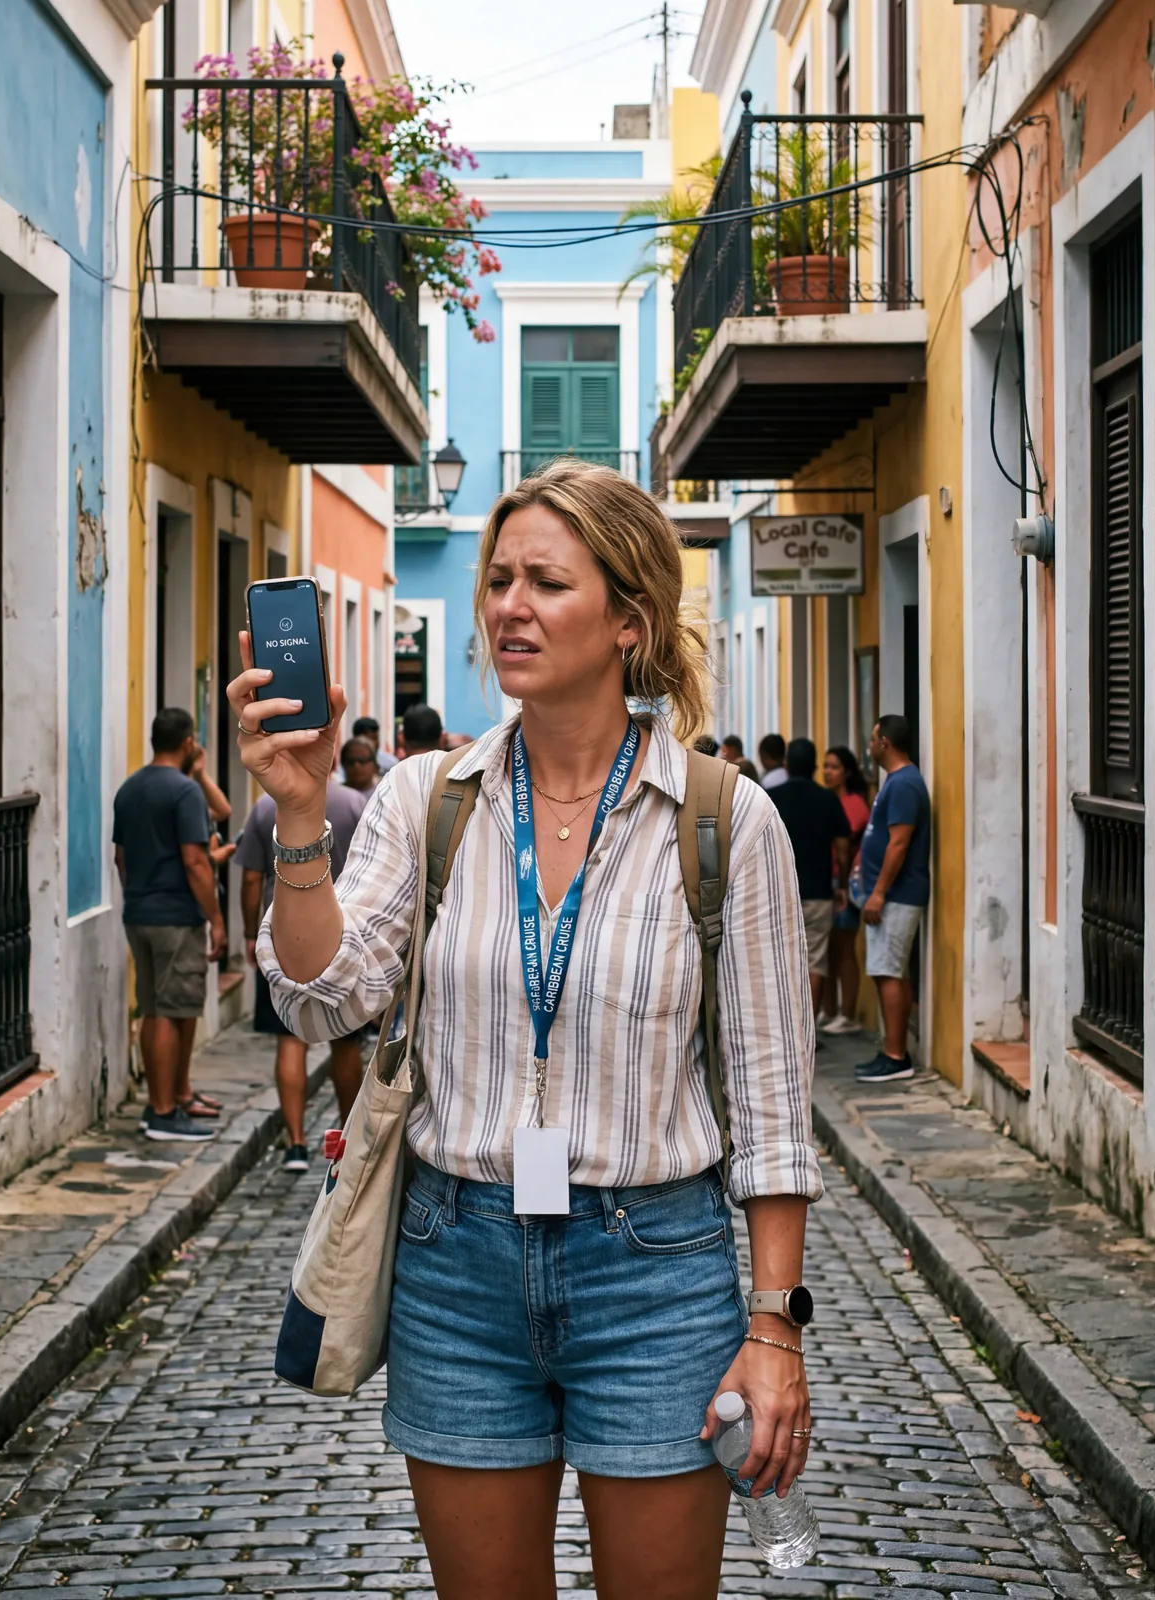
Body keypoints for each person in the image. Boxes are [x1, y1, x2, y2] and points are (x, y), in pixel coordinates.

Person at [231, 458, 822, 1600]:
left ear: (628, 621)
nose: (507, 604)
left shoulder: (723, 822)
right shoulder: (426, 799)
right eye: (498, 579)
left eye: (545, 581)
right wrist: (300, 815)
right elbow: (323, 997)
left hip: (654, 1274)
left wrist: (775, 1329)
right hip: (458, 1263)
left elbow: (769, 1101)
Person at [237, 775, 369, 1173]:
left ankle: (295, 1142)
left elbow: (250, 878)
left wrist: (248, 933)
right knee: (346, 1043)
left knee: (289, 1041)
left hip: (282, 936)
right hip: (340, 935)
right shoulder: (353, 803)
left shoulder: (263, 808)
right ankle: (348, 1137)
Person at [112, 709, 224, 1143]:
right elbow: (196, 861)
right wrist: (216, 919)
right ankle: (163, 1110)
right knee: (171, 1012)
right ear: (189, 741)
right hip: (175, 914)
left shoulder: (129, 788)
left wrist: (136, 896)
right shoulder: (183, 791)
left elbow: (120, 856)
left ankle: (160, 1103)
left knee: (152, 1008)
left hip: (139, 912)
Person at [854, 715, 931, 1083]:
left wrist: (879, 892)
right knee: (889, 970)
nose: (869, 748)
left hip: (897, 896)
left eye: (872, 740)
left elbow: (899, 843)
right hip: (887, 895)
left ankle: (896, 1056)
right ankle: (892, 1048)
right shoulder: (895, 782)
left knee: (888, 971)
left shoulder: (903, 784)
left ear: (884, 742)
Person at [768, 740, 851, 1018]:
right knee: (815, 962)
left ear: (787, 764)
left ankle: (784, 1025)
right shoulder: (828, 799)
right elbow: (842, 849)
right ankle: (808, 1031)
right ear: (815, 767)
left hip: (779, 893)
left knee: (781, 960)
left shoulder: (770, 797)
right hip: (818, 893)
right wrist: (841, 886)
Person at [820, 746, 871, 1035]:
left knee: (844, 948)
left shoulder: (855, 804)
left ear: (847, 772)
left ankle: (848, 1013)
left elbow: (845, 835)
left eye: (834, 767)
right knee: (825, 951)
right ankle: (828, 1011)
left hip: (846, 886)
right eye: (825, 766)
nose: (827, 772)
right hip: (826, 881)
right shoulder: (826, 800)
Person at [339, 737, 380, 810]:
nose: (356, 766)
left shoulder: (384, 794)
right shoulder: (337, 796)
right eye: (351, 761)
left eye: (362, 761)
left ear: (374, 764)